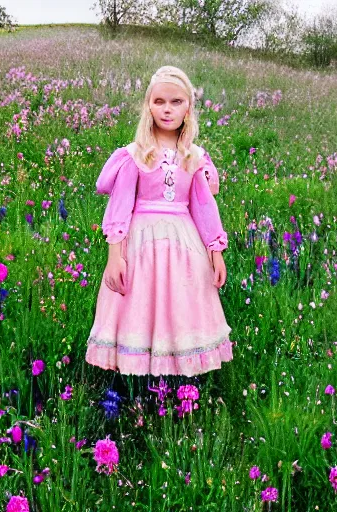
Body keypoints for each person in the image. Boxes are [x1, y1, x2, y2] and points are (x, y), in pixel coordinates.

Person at [85, 65, 233, 381]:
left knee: (180, 303)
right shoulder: (136, 153)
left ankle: (176, 375)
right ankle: (137, 379)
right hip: (141, 244)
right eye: (159, 101)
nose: (167, 109)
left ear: (188, 108)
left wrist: (214, 251)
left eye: (176, 102)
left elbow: (204, 206)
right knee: (140, 305)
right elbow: (120, 205)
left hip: (184, 245)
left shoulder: (194, 156)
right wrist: (115, 256)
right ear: (148, 105)